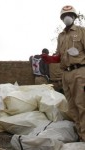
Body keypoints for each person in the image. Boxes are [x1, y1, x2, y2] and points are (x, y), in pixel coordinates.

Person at [42, 5, 85, 141]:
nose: (67, 17)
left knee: (82, 105)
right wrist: (52, 59)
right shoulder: (60, 36)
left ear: (74, 17)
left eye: (70, 15)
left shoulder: (82, 31)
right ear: (61, 18)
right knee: (72, 108)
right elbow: (60, 55)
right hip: (65, 74)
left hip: (80, 72)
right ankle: (81, 134)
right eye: (65, 15)